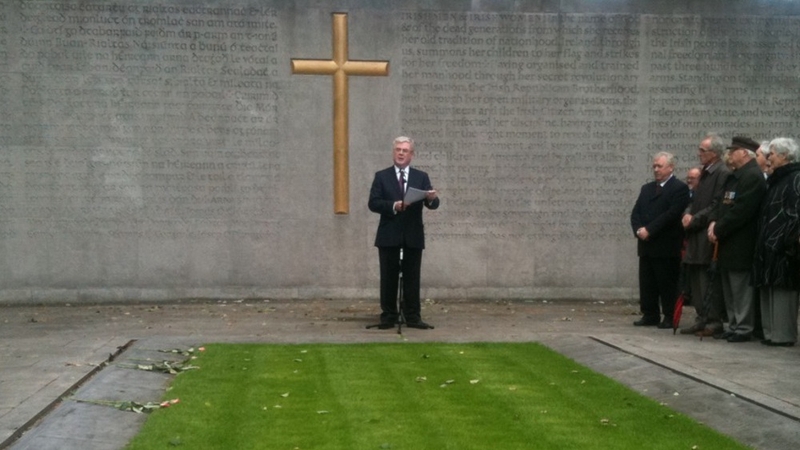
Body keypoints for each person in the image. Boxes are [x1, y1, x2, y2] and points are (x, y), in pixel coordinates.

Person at [368, 136, 440, 329]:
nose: (401, 153)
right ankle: (389, 316)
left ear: (411, 155)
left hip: (413, 235)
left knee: (412, 277)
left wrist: (432, 198)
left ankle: (413, 316)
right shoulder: (381, 176)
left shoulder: (421, 177)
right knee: (388, 277)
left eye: (405, 150)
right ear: (394, 153)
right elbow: (373, 203)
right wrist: (393, 205)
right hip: (389, 235)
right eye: (398, 150)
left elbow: (432, 204)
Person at [707, 136, 767, 342]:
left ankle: (743, 327)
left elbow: (742, 211)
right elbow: (722, 204)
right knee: (730, 287)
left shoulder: (752, 177)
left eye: (734, 151)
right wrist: (714, 222)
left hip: (742, 242)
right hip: (727, 240)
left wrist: (719, 227)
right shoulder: (735, 176)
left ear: (744, 153)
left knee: (740, 287)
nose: (730, 154)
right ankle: (733, 324)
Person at [631, 152, 691, 328]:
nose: (656, 169)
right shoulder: (647, 188)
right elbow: (636, 213)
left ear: (670, 167)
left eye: (660, 166)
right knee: (647, 282)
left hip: (665, 244)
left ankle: (670, 315)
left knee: (666, 282)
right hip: (646, 244)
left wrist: (650, 229)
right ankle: (650, 314)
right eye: (654, 166)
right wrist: (638, 229)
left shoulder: (679, 188)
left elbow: (671, 215)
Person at [679, 134, 731, 335]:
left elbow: (716, 204)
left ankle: (713, 320)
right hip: (694, 234)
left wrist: (695, 218)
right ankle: (701, 317)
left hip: (706, 234)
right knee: (695, 280)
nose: (699, 153)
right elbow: (694, 198)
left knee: (707, 280)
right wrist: (687, 214)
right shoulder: (704, 172)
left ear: (714, 153)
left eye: (703, 150)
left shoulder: (722, 173)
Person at [752, 137, 800, 347]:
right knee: (768, 288)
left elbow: (794, 214)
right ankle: (771, 332)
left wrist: (781, 242)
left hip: (782, 248)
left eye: (771, 154)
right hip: (767, 246)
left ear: (784, 156)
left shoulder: (795, 178)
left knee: (782, 292)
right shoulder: (775, 180)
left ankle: (782, 335)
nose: (768, 158)